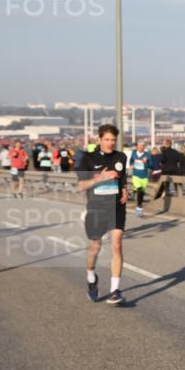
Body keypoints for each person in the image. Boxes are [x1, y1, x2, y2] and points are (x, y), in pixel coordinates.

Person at [76, 124, 129, 305]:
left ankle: (115, 290)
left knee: (116, 245)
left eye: (113, 140)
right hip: (96, 208)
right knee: (95, 248)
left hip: (116, 207)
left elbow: (122, 179)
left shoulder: (121, 157)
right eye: (106, 139)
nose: (110, 143)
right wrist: (100, 178)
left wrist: (124, 189)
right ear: (99, 140)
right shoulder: (88, 159)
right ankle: (91, 278)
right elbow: (81, 186)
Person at [128, 141, 157, 217]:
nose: (140, 147)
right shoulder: (134, 153)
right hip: (136, 175)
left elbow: (152, 166)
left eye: (142, 146)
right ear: (137, 146)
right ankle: (139, 207)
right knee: (139, 189)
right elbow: (131, 161)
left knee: (142, 192)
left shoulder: (147, 155)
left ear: (144, 147)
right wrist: (131, 165)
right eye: (139, 145)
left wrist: (146, 162)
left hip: (144, 176)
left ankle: (139, 205)